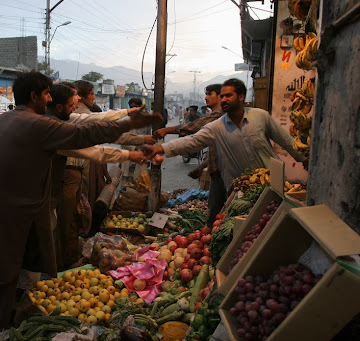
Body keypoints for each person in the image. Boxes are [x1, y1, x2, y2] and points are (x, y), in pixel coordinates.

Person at [0, 71, 160, 338]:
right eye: (45, 94)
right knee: (3, 282)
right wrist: (129, 123)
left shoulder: (1, 121)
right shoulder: (36, 124)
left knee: (5, 278)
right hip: (5, 217)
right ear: (34, 96)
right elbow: (88, 134)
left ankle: (3, 323)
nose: (48, 99)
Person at [143, 78, 306, 194]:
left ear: (241, 97)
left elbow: (285, 140)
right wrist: (160, 148)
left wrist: (303, 158)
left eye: (229, 96)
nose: (224, 99)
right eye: (222, 96)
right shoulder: (216, 127)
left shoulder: (261, 117)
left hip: (273, 186)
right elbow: (191, 142)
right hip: (241, 191)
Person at [46, 84, 148, 271]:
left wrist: (127, 117)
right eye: (73, 100)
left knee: (71, 218)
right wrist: (129, 152)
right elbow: (93, 147)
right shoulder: (58, 124)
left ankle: (65, 258)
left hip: (71, 174)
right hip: (65, 175)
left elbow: (100, 121)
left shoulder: (71, 116)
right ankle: (58, 264)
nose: (76, 102)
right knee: (62, 221)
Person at [154, 84, 226, 227]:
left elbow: (196, 127)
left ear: (220, 96)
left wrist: (168, 130)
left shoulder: (220, 115)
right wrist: (202, 167)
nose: (206, 97)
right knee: (217, 209)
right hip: (218, 171)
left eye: (209, 94)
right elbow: (217, 148)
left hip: (223, 173)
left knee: (215, 213)